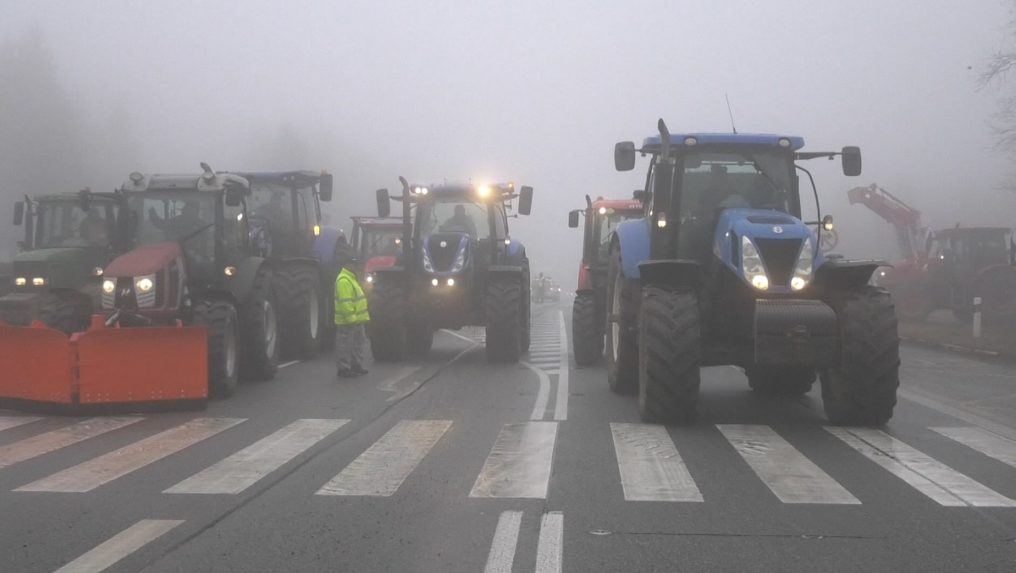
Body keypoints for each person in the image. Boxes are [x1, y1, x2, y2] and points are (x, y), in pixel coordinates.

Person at [334, 247, 370, 378]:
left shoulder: (351, 278)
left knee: (357, 343)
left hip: (357, 320)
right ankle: (343, 368)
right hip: (348, 321)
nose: (356, 266)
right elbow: (345, 302)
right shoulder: (344, 280)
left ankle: (356, 366)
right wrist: (351, 319)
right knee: (345, 345)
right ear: (347, 264)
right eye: (353, 263)